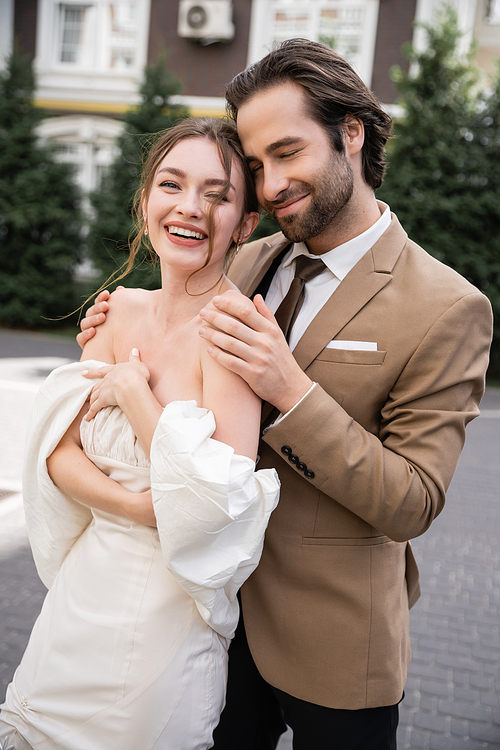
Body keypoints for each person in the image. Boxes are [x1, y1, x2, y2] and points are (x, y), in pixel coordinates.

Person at [77, 39, 493, 750]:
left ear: (351, 134)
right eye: (257, 164)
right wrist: (122, 326)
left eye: (288, 152)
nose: (269, 186)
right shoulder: (249, 257)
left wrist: (290, 390)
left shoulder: (447, 305)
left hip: (335, 643)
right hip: (211, 618)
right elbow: (182, 335)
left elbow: (414, 500)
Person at [0, 118, 280, 750]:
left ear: (244, 223)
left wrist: (132, 391)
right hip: (81, 593)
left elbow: (217, 504)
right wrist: (135, 506)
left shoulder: (234, 334)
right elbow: (58, 454)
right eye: (171, 184)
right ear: (146, 202)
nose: (189, 207)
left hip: (166, 613)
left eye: (216, 194)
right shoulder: (115, 310)